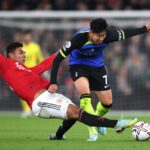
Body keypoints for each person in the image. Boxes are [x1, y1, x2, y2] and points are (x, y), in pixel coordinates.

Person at [0, 42, 137, 140]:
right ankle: (118, 124)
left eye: (24, 51)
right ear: (10, 55)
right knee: (76, 113)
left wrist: (62, 52)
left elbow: (42, 66)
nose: (24, 54)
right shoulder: (5, 65)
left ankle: (57, 136)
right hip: (39, 102)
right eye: (20, 52)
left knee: (73, 113)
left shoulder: (24, 70)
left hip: (49, 95)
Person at [48, 18, 150, 141]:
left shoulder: (109, 35)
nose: (101, 39)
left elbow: (127, 33)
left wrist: (145, 29)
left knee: (107, 103)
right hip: (78, 65)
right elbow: (57, 59)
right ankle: (92, 132)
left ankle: (96, 120)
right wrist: (53, 82)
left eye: (103, 35)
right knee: (86, 97)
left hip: (97, 67)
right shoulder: (79, 39)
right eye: (99, 36)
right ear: (91, 32)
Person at [20, 30, 45, 118]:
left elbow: (40, 59)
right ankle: (27, 110)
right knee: (22, 92)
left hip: (34, 73)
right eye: (26, 36)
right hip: (22, 72)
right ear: (23, 37)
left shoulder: (35, 47)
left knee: (36, 91)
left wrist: (44, 71)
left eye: (29, 36)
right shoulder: (20, 47)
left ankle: (35, 108)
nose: (27, 37)